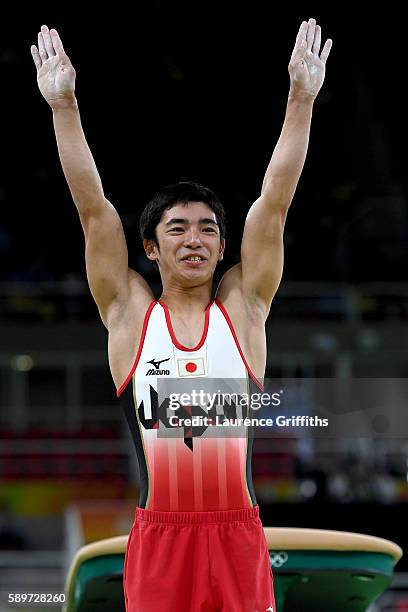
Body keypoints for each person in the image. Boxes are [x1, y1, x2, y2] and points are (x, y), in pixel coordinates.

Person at [31, 18, 332, 612]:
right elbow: (94, 214)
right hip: (161, 541)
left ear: (224, 249)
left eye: (208, 230)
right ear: (151, 247)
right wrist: (64, 107)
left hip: (238, 538)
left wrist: (301, 100)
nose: (194, 240)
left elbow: (274, 204)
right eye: (177, 229)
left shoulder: (245, 310)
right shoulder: (128, 315)